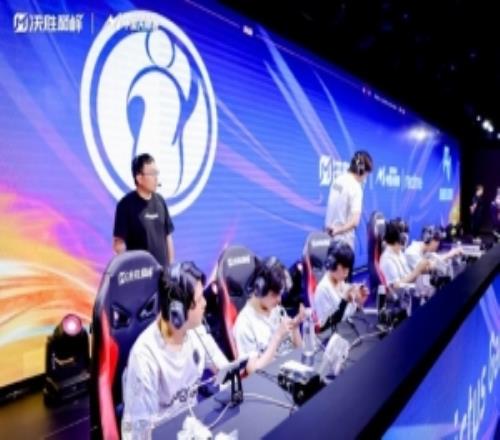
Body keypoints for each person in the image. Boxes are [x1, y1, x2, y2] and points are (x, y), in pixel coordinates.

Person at [121, 262, 227, 435]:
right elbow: (137, 434)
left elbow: (225, 370)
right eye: (199, 299)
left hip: (192, 428)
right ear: (177, 313)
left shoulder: (197, 332)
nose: (205, 303)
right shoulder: (144, 357)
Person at [233, 257, 305, 374]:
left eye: (280, 294)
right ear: (259, 289)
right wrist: (277, 336)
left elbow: (300, 350)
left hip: (292, 370)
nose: (279, 300)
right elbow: (253, 371)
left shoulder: (277, 310)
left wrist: (296, 327)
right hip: (270, 378)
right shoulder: (245, 324)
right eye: (275, 295)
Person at [113, 153, 174, 268]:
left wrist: (170, 266)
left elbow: (168, 236)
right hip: (140, 275)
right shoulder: (125, 205)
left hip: (163, 274)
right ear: (139, 178)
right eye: (152, 173)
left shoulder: (160, 201)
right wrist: (128, 269)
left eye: (156, 173)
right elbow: (119, 243)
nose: (156, 178)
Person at [325, 150, 373, 254]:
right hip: (343, 243)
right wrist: (338, 230)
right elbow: (355, 221)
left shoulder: (338, 180)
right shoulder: (355, 187)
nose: (365, 178)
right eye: (366, 174)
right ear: (362, 171)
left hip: (329, 238)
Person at [313, 241, 369, 330]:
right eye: (344, 268)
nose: (347, 272)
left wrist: (359, 303)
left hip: (348, 330)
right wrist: (344, 301)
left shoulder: (341, 282)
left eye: (348, 268)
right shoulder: (323, 290)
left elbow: (347, 314)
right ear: (332, 264)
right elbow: (325, 327)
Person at [379, 220, 431, 291]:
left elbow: (407, 276)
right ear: (402, 239)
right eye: (405, 237)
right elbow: (395, 287)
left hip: (410, 287)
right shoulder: (387, 260)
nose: (407, 240)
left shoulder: (399, 253)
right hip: (402, 293)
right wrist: (416, 271)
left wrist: (421, 270)